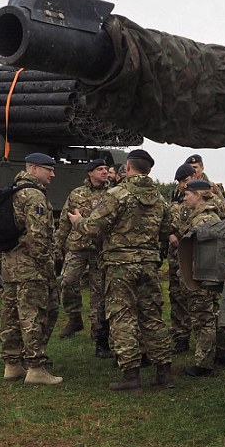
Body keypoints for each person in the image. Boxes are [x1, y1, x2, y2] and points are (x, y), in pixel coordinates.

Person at [68, 149, 174, 392]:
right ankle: (164, 372)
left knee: (122, 316)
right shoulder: (159, 197)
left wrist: (77, 222)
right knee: (152, 316)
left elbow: (94, 227)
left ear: (128, 167)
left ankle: (131, 375)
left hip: (120, 265)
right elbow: (167, 228)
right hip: (148, 263)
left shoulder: (118, 194)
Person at [0, 152, 63, 385]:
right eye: (49, 169)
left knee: (11, 316)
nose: (53, 174)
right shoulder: (34, 196)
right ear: (34, 168)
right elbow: (38, 238)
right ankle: (35, 368)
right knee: (33, 315)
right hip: (31, 268)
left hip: (10, 266)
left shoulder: (11, 192)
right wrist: (48, 267)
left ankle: (12, 364)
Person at [171, 179, 225, 376]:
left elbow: (204, 254)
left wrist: (197, 281)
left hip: (202, 278)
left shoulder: (203, 221)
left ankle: (204, 365)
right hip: (209, 278)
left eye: (187, 195)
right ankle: (222, 356)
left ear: (198, 195)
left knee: (202, 319)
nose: (184, 198)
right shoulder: (207, 216)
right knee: (213, 315)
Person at [56, 159, 110, 357]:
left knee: (99, 291)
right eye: (100, 169)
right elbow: (64, 221)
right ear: (90, 173)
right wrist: (57, 245)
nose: (104, 172)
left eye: (106, 169)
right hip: (76, 247)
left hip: (100, 249)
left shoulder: (112, 194)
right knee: (67, 282)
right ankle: (74, 318)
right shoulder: (77, 194)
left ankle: (98, 329)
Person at [167, 163, 196, 353]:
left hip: (196, 254)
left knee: (200, 298)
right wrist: (170, 233)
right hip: (176, 254)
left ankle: (212, 345)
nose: (182, 186)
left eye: (185, 181)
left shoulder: (208, 193)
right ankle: (181, 337)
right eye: (180, 182)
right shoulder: (177, 197)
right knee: (177, 296)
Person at [185, 153, 225, 218]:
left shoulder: (212, 187)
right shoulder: (182, 187)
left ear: (202, 168)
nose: (192, 170)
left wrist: (211, 196)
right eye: (190, 168)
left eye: (195, 167)